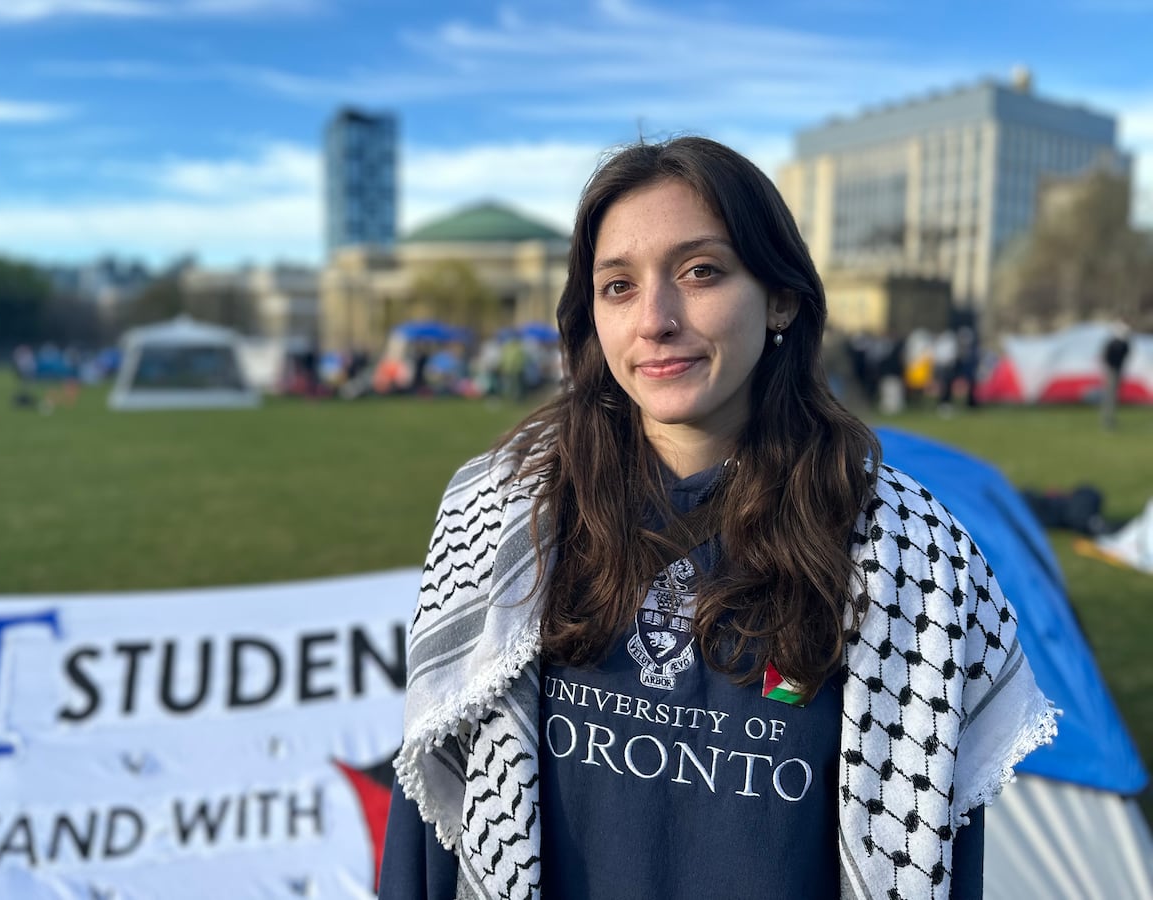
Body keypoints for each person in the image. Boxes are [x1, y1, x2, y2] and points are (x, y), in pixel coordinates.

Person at [382, 137, 1056, 900]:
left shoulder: (913, 558)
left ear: (781, 297)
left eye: (700, 272)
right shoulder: (502, 514)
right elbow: (429, 836)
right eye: (617, 286)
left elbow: (929, 852)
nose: (655, 320)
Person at [1101, 321, 1132, 431]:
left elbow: (1126, 355)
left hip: (1118, 370)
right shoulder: (1114, 344)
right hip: (1112, 370)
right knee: (1110, 396)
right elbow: (1106, 357)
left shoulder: (1124, 344)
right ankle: (1108, 419)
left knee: (1114, 395)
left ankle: (1110, 417)